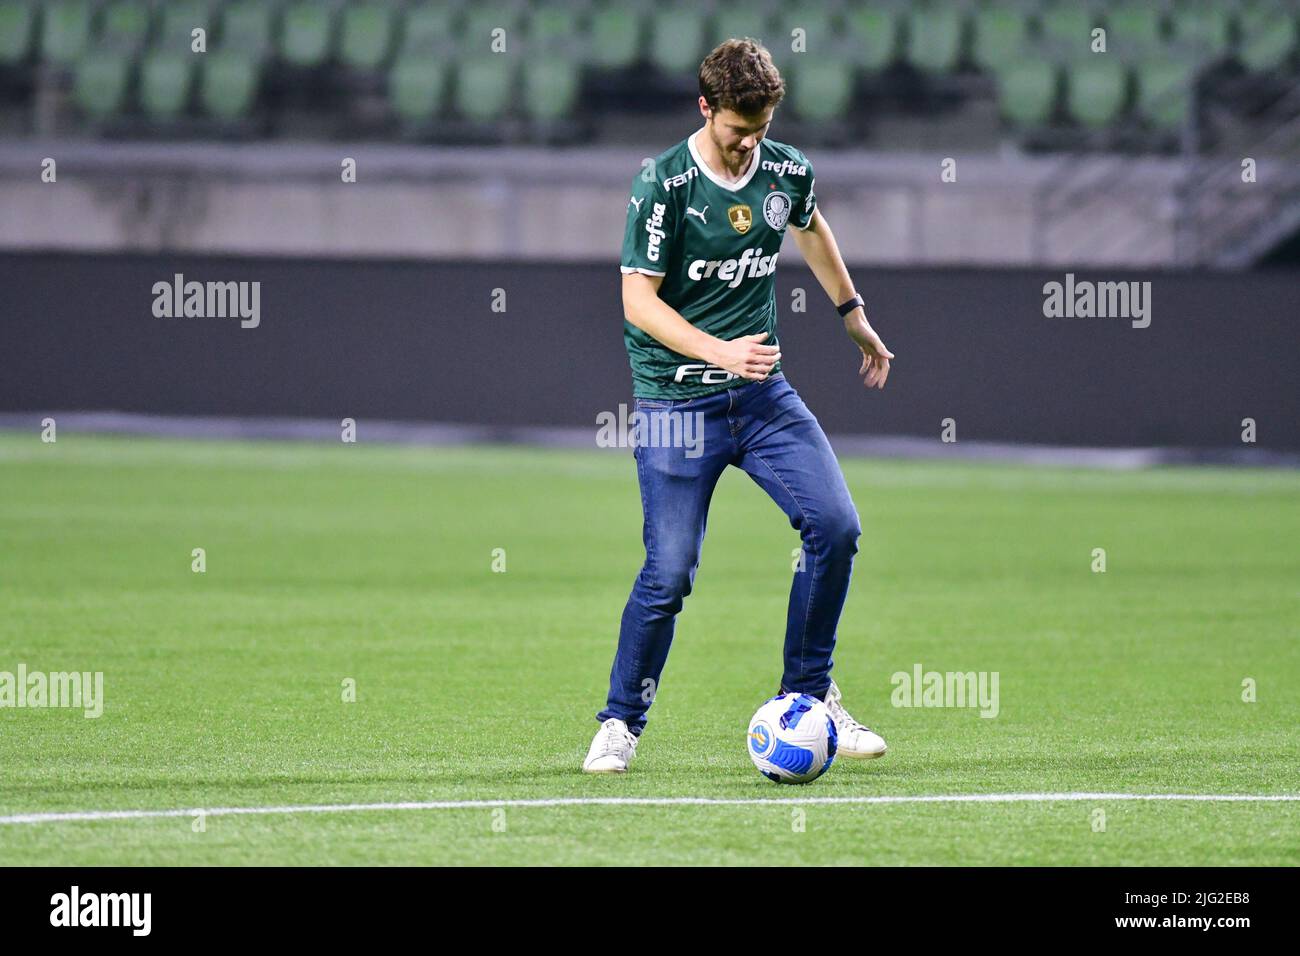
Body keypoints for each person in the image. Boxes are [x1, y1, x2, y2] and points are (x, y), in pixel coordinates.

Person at [584, 38, 894, 774]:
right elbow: (636, 300)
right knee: (670, 572)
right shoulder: (662, 185)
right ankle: (620, 722)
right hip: (675, 406)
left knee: (836, 526)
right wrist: (718, 350)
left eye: (758, 128)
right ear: (705, 108)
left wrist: (852, 313)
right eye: (734, 130)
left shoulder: (784, 170)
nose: (747, 143)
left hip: (761, 400)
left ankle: (809, 698)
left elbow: (811, 226)